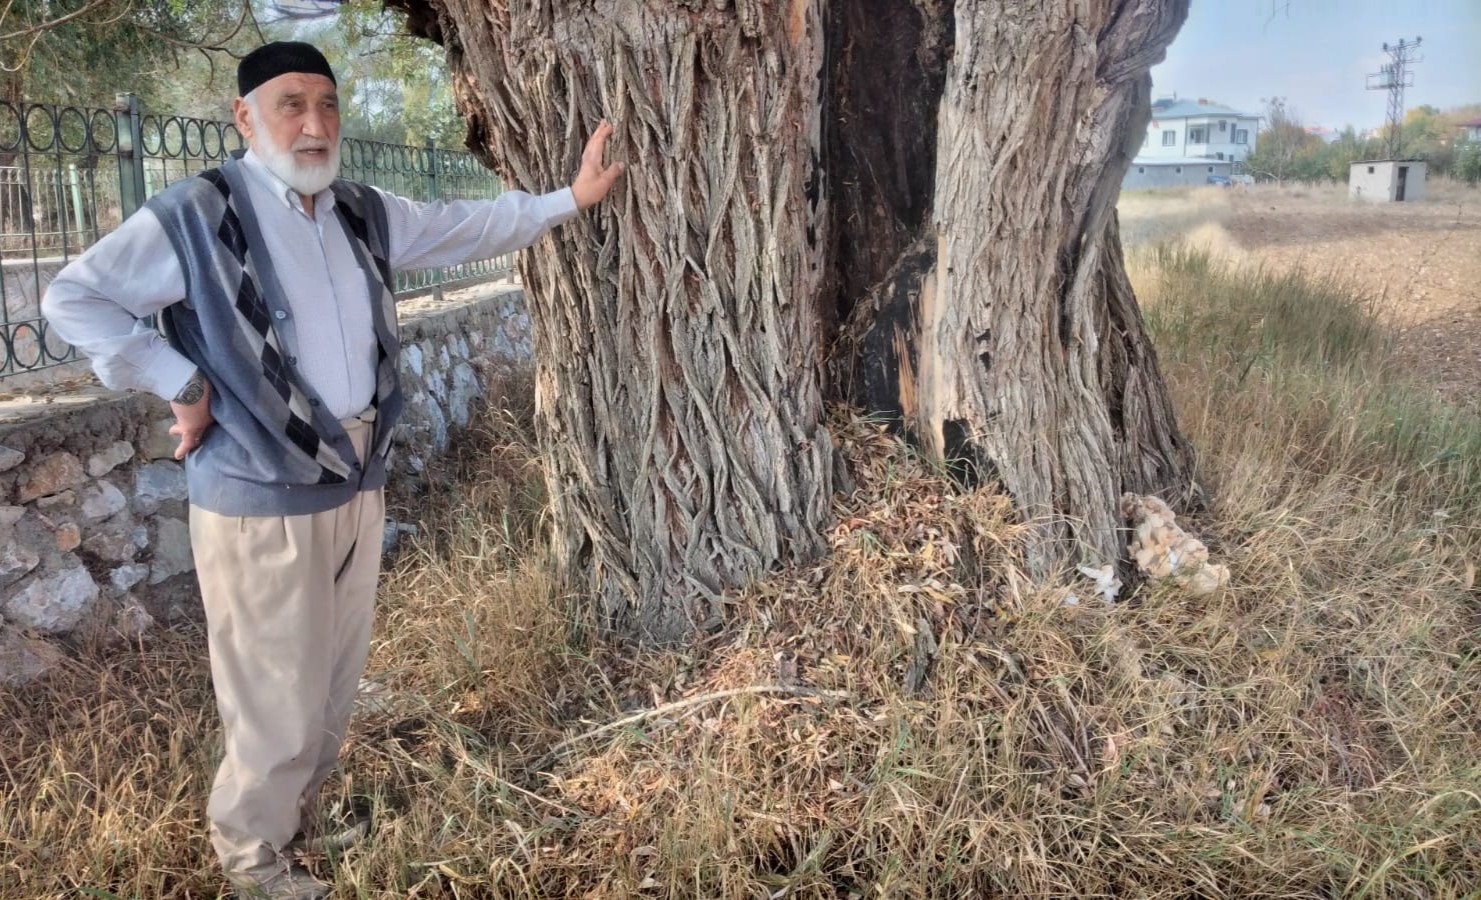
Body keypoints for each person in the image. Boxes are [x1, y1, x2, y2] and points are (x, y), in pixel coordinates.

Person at [42, 41, 623, 899]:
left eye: (327, 103)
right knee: (274, 689)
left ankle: (299, 822)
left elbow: (466, 224)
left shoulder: (360, 209)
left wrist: (567, 201)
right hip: (258, 493)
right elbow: (72, 298)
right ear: (246, 117)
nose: (314, 124)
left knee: (332, 678)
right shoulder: (198, 213)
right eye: (290, 104)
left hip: (355, 478)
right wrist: (182, 382)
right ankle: (252, 862)